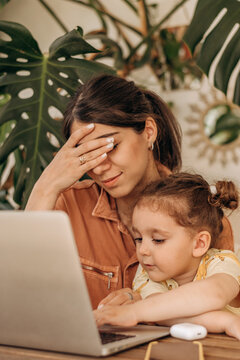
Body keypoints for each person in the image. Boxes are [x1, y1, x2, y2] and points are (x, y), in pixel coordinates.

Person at [26, 74, 234, 309]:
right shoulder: (66, 205)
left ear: (148, 131)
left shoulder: (201, 214)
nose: (100, 166)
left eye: (111, 147)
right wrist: (45, 186)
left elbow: (218, 310)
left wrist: (143, 303)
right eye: (87, 154)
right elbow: (22, 294)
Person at [94, 173, 240, 339]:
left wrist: (134, 312)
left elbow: (214, 294)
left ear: (199, 244)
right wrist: (226, 322)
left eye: (158, 240)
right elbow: (164, 315)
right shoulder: (147, 274)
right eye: (139, 238)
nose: (142, 250)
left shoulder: (222, 261)